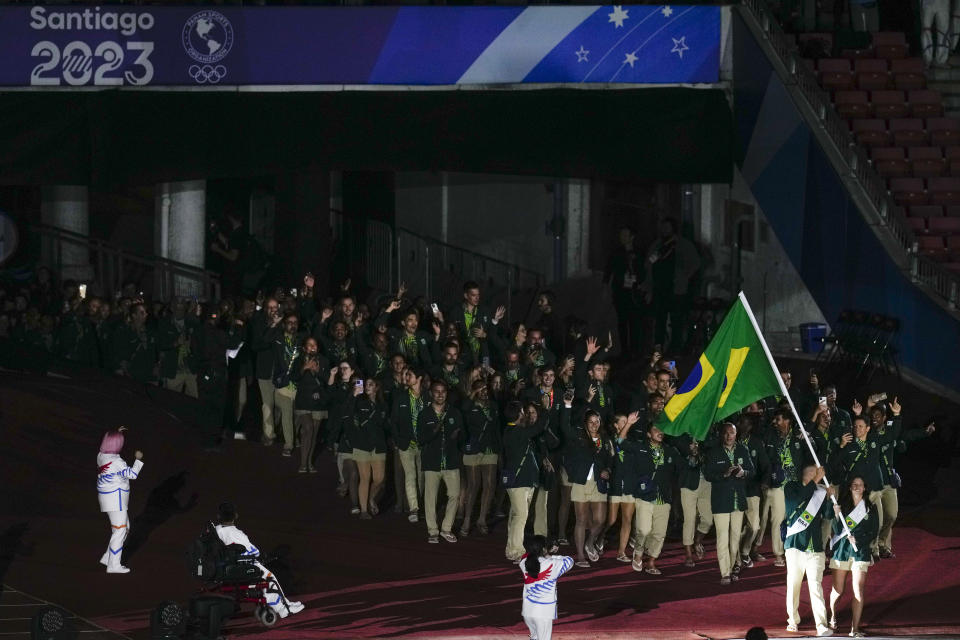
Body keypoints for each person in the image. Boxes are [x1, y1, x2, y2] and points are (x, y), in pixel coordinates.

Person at [214, 502, 305, 619]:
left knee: (267, 574)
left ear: (218, 516)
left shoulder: (216, 531)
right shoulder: (236, 534)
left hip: (227, 565)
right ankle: (282, 609)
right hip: (241, 566)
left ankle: (285, 602)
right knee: (269, 577)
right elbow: (255, 552)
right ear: (235, 515)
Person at [560, 392, 613, 568]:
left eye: (597, 422)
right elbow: (565, 428)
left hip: (598, 483)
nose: (594, 425)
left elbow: (610, 460)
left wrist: (608, 469)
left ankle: (590, 542)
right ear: (585, 423)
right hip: (581, 481)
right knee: (581, 520)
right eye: (591, 422)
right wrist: (568, 405)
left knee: (600, 520)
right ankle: (581, 555)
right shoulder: (579, 436)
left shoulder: (605, 439)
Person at [783, 464, 835, 637]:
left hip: (815, 548)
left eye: (818, 473)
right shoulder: (791, 487)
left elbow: (827, 516)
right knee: (794, 585)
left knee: (816, 587)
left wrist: (829, 499)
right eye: (814, 472)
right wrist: (816, 482)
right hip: (795, 546)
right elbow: (797, 501)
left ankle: (821, 624)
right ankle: (793, 620)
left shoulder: (819, 493)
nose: (818, 475)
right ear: (806, 474)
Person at [704, 422, 755, 585]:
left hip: (738, 501)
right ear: (721, 434)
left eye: (731, 433)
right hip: (720, 501)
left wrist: (743, 473)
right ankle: (725, 572)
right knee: (722, 538)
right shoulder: (713, 452)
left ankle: (733, 567)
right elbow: (708, 475)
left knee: (734, 538)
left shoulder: (742, 450)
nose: (728, 436)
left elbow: (752, 472)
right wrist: (724, 474)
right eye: (725, 433)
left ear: (736, 434)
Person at [828, 476, 878, 638]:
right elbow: (836, 530)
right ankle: (833, 616)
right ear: (850, 488)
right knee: (838, 590)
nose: (857, 487)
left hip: (860, 553)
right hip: (842, 551)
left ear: (865, 488)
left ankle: (854, 628)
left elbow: (873, 531)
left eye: (860, 485)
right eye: (854, 485)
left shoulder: (871, 508)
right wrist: (836, 515)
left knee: (858, 591)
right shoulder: (843, 507)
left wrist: (859, 540)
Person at [418, 380, 465, 543]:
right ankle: (432, 530)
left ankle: (446, 528)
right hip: (432, 462)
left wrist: (457, 437)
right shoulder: (424, 414)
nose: (440, 394)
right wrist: (434, 430)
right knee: (430, 497)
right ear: (431, 393)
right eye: (436, 391)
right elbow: (421, 439)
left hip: (451, 461)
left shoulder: (455, 412)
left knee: (454, 495)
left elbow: (462, 435)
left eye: (443, 391)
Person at [502, 400, 548, 562]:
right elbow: (538, 427)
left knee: (516, 515)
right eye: (523, 411)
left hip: (524, 480)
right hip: (519, 482)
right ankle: (516, 551)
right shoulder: (515, 431)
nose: (525, 414)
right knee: (521, 515)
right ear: (518, 415)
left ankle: (511, 549)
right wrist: (545, 410)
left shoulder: (513, 430)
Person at [97, 427, 144, 574]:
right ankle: (113, 565)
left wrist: (117, 432)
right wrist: (138, 459)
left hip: (107, 497)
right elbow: (132, 474)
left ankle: (108, 557)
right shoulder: (117, 461)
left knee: (124, 529)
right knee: (120, 531)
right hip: (115, 498)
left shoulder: (101, 456)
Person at [461, 379, 501, 536]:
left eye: (486, 388)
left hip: (490, 448)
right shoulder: (469, 406)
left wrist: (500, 450)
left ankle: (482, 519)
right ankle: (467, 518)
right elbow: (463, 410)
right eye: (480, 389)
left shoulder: (493, 406)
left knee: (490, 484)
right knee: (473, 485)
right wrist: (472, 395)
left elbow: (497, 428)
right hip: (473, 449)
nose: (484, 391)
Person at [520, 535, 574, 640]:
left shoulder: (524, 563)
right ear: (544, 549)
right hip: (543, 612)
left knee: (534, 637)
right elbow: (569, 561)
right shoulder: (552, 564)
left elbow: (526, 555)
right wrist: (550, 555)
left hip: (528, 611)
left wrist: (545, 552)